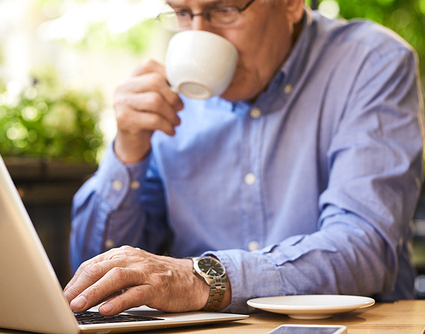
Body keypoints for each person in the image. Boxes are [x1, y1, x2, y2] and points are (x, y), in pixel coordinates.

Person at [63, 0, 425, 316]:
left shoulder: (372, 63)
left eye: (224, 9)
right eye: (182, 12)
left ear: (290, 4)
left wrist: (200, 280)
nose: (200, 34)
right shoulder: (168, 98)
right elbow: (91, 282)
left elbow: (364, 247)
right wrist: (127, 153)